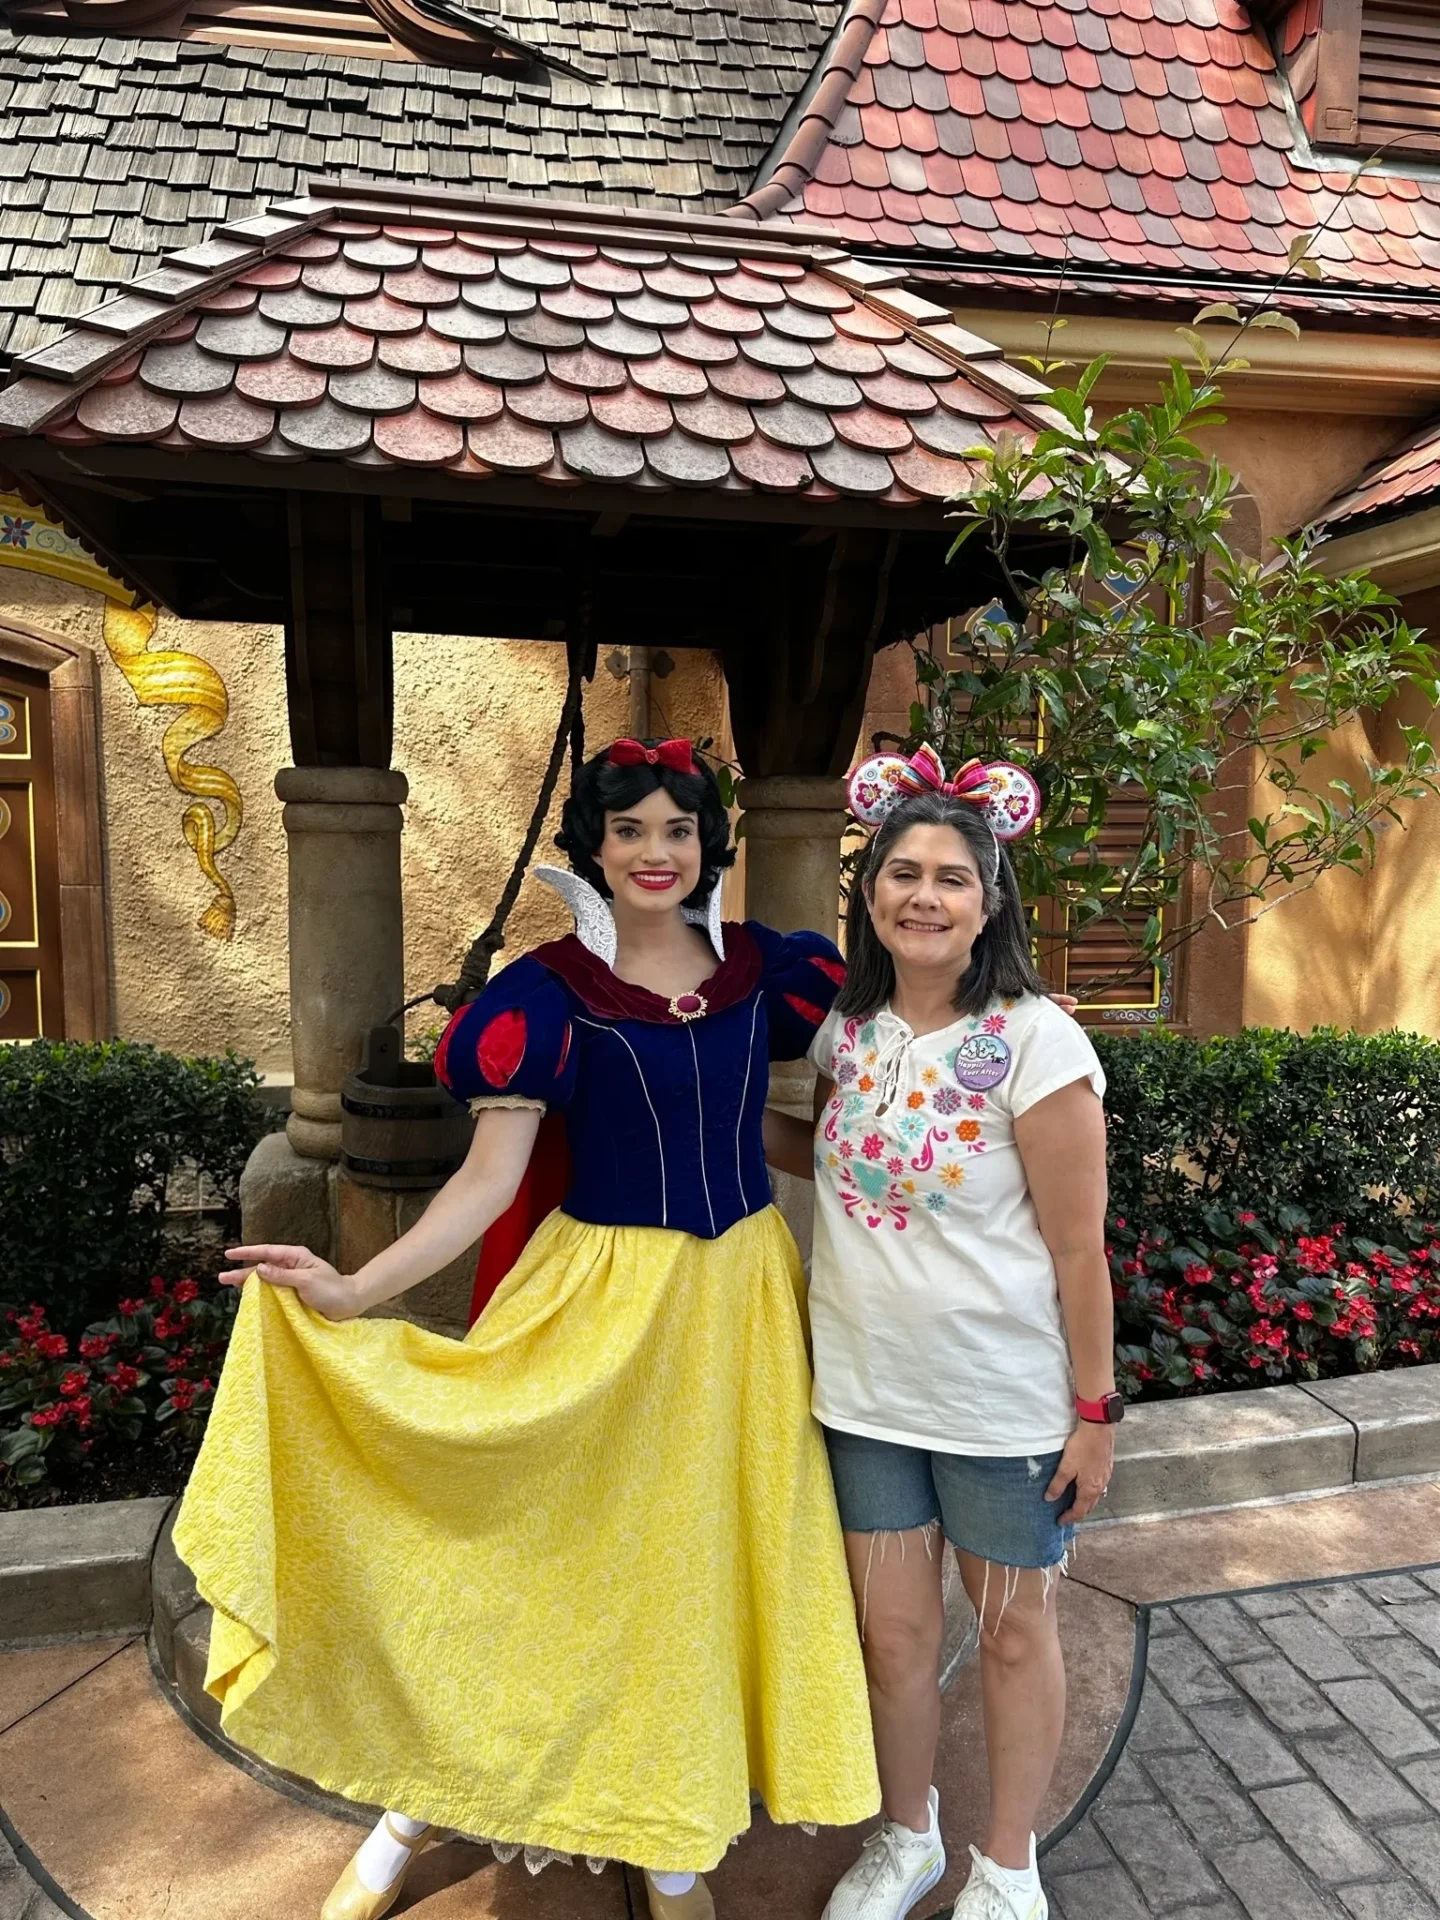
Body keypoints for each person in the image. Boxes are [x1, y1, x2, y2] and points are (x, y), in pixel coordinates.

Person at [172, 737, 879, 1920]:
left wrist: (907, 1184)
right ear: (592, 850)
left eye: (678, 827)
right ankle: (414, 1807)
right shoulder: (546, 998)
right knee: (536, 1554)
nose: (657, 851)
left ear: (713, 842)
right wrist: (352, 1290)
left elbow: (755, 1132)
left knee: (686, 1569)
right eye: (630, 830)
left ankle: (668, 1832)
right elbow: (484, 1186)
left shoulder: (769, 974)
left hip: (742, 1311)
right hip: (598, 1306)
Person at [765, 745, 1116, 1920]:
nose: (925, 895)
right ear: (869, 898)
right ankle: (906, 1833)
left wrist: (1094, 1412)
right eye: (902, 873)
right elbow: (821, 1157)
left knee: (1013, 1637)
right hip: (863, 1396)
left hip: (1001, 1405)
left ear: (991, 896)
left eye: (952, 877)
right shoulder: (844, 1035)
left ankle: (1008, 1864)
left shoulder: (1038, 1043)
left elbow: (1079, 1250)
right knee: (894, 1638)